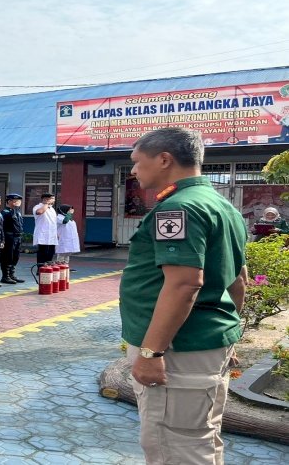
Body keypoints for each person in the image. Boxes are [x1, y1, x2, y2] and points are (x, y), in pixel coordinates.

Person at [120, 127, 247, 464]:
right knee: (200, 438)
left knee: (174, 446)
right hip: (204, 341)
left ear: (164, 159)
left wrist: (151, 351)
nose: (132, 170)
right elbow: (239, 280)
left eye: (137, 161)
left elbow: (183, 284)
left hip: (178, 348)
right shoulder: (223, 205)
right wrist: (228, 337)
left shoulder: (177, 208)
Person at [0, 193, 25, 284]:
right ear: (9, 201)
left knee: (15, 257)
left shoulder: (17, 212)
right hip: (9, 237)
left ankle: (11, 275)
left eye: (19, 201)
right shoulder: (5, 212)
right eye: (15, 201)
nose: (18, 203)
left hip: (17, 237)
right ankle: (5, 276)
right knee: (7, 257)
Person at [32, 192, 57, 265]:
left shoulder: (52, 209)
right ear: (45, 199)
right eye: (52, 199)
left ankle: (48, 269)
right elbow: (39, 212)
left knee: (50, 253)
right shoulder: (37, 207)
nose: (53, 201)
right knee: (43, 252)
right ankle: (40, 269)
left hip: (52, 235)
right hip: (43, 235)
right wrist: (46, 204)